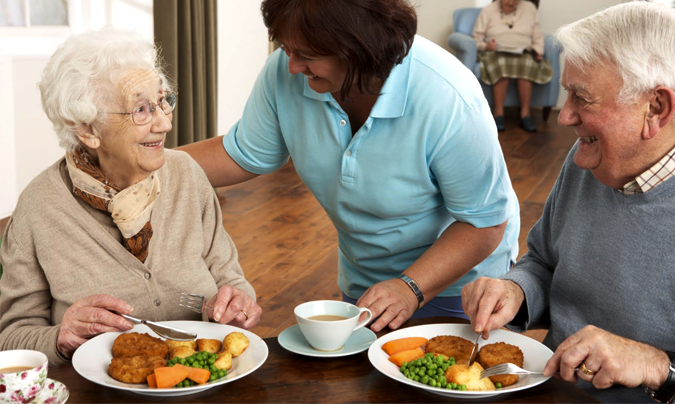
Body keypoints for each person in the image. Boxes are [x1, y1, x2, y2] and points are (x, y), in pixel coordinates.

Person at [180, 0, 519, 333]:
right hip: (367, 280)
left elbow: (484, 223)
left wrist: (410, 287)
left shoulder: (447, 96)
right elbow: (242, 153)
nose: (292, 66)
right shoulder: (285, 73)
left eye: (307, 56)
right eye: (286, 48)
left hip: (460, 284)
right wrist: (146, 161)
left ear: (358, 49)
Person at [0, 28, 262, 366]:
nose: (164, 123)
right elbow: (10, 337)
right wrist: (60, 337)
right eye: (141, 109)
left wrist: (238, 303)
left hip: (202, 381)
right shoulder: (38, 207)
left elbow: (231, 279)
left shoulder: (186, 175)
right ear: (87, 129)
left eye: (163, 101)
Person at [461, 2, 675, 402]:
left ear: (656, 109)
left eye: (581, 98)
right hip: (552, 388)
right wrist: (516, 291)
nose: (564, 116)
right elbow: (543, 261)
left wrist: (657, 366)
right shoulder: (587, 158)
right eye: (566, 93)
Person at [472, 0, 553, 133]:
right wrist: (486, 46)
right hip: (496, 52)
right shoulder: (488, 10)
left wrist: (538, 50)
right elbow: (476, 38)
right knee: (502, 65)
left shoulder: (529, 8)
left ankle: (525, 115)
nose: (510, 3)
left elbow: (537, 35)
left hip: (523, 51)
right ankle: (498, 114)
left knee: (527, 64)